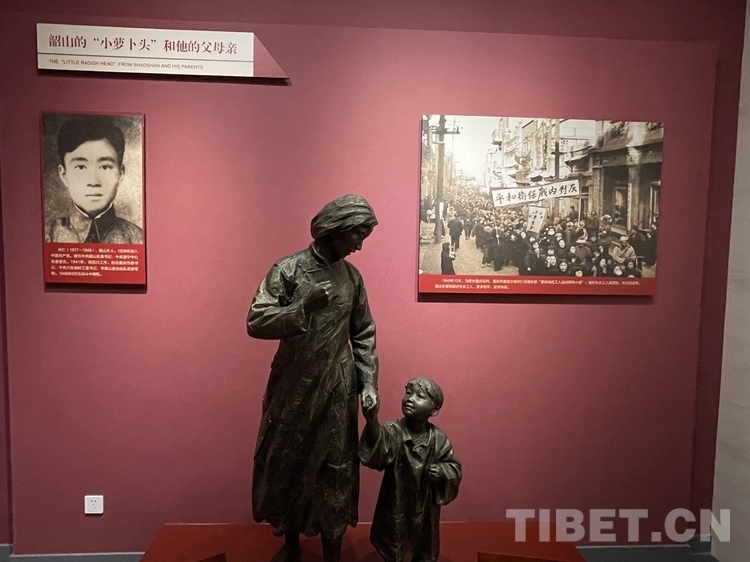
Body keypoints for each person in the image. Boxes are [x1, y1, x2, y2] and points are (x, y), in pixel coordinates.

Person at [247, 194, 379, 562]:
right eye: (357, 235)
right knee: (288, 460)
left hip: (337, 387)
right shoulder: (288, 270)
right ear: (337, 229)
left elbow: (364, 332)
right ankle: (290, 544)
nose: (359, 245)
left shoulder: (352, 278)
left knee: (335, 468)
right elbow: (256, 320)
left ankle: (332, 551)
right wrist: (301, 306)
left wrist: (369, 382)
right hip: (292, 386)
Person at [360, 378, 461, 562]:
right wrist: (371, 419)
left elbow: (453, 467)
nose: (410, 399)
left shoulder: (438, 438)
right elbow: (376, 445)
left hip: (425, 507)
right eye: (408, 393)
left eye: (420, 396)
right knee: (393, 544)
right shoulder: (394, 431)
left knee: (424, 546)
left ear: (434, 410)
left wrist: (442, 472)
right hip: (396, 503)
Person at [46, 116, 142, 244]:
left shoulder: (138, 238)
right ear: (64, 174)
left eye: (105, 167)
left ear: (121, 173)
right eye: (81, 167)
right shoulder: (46, 235)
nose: (93, 182)